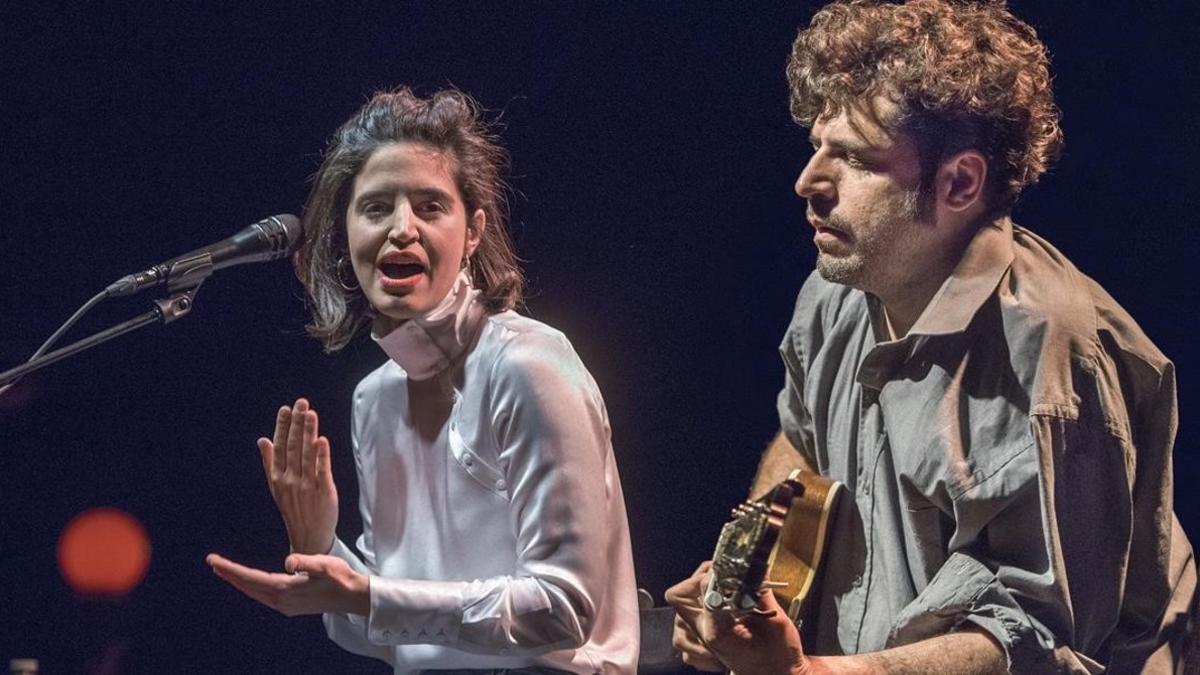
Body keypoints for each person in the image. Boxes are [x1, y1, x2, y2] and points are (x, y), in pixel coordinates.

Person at [666, 1, 1196, 673]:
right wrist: (750, 588)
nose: (808, 183)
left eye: (855, 159)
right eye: (817, 146)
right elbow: (804, 440)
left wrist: (808, 672)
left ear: (959, 182)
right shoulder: (835, 289)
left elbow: (1035, 645)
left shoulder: (1050, 366)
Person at [205, 87, 640, 674]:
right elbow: (391, 639)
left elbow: (563, 608)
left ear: (473, 233)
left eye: (430, 207)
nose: (401, 228)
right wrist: (320, 548)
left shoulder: (529, 365)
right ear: (346, 233)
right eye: (376, 207)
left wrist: (369, 594)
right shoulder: (374, 398)